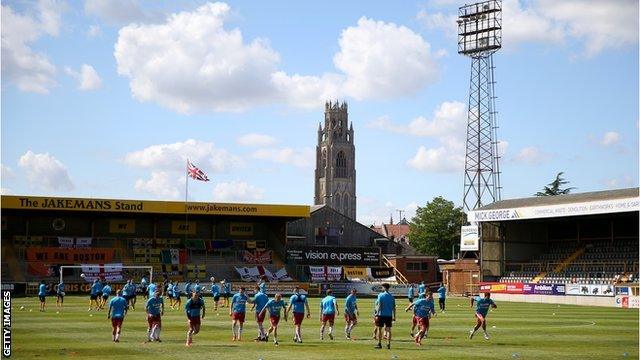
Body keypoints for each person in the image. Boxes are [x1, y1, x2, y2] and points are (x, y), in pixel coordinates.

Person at [374, 283, 396, 349]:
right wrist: (394, 316)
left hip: (381, 314)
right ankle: (388, 344)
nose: (382, 288)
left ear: (384, 287)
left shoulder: (380, 295)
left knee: (379, 329)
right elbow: (393, 307)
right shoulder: (392, 297)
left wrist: (377, 314)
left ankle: (379, 344)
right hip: (389, 315)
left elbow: (379, 306)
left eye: (382, 287)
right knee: (388, 330)